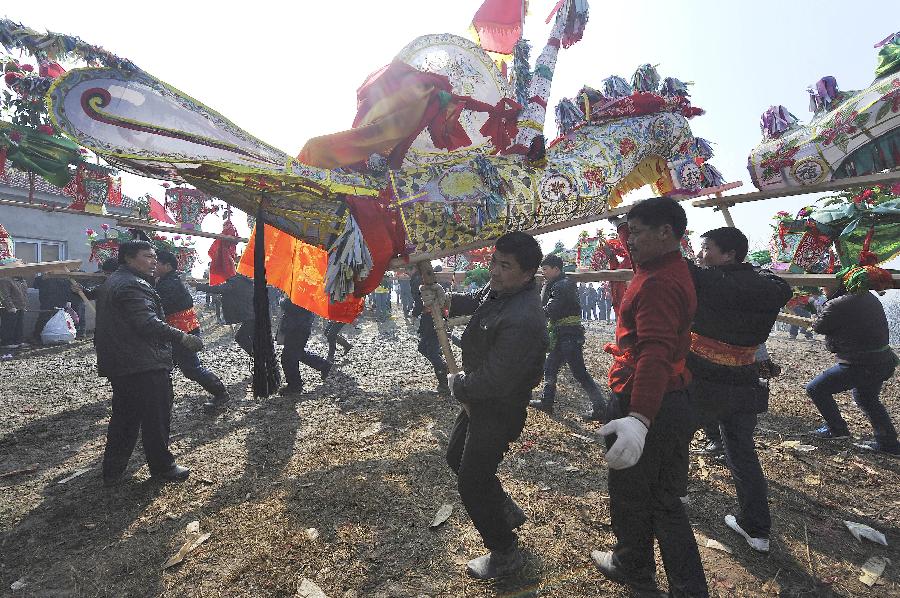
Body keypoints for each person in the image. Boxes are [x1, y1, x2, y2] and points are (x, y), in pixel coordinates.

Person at [590, 198, 708, 597]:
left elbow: (655, 351)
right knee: (666, 499)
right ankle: (689, 589)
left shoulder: (657, 282)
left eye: (637, 232)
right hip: (673, 397)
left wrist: (639, 418)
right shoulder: (667, 265)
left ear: (665, 233)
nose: (630, 240)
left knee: (632, 496)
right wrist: (618, 221)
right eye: (629, 232)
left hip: (646, 398)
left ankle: (634, 571)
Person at [419, 231, 547, 579]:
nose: (494, 270)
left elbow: (495, 380)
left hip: (499, 406)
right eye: (494, 261)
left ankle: (505, 553)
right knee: (455, 456)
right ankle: (503, 509)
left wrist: (458, 384)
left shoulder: (524, 318)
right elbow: (477, 300)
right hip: (480, 400)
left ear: (527, 273)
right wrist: (444, 298)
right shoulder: (503, 290)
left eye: (504, 266)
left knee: (472, 482)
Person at [687, 227, 792, 553]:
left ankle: (674, 497)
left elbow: (680, 264)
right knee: (742, 454)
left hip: (703, 380)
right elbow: (782, 285)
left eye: (706, 248)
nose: (701, 255)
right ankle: (757, 529)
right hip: (746, 381)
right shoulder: (772, 288)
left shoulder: (707, 281)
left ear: (728, 254)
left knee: (676, 437)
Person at [95, 241, 202, 485]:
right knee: (156, 416)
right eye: (147, 256)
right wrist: (182, 337)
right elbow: (147, 323)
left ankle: (113, 470)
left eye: (155, 257)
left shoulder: (116, 281)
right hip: (143, 361)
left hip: (123, 361)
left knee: (125, 416)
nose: (154, 261)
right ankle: (163, 466)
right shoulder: (133, 284)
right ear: (128, 259)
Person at [805, 280, 899, 455]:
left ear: (835, 284)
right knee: (866, 397)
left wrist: (817, 309)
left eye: (824, 284)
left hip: (861, 363)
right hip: (882, 360)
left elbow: (819, 326)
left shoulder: (838, 303)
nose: (821, 288)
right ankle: (889, 443)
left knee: (816, 388)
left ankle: (837, 429)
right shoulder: (866, 295)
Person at [529, 254, 608, 420]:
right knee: (550, 366)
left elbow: (551, 308)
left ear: (556, 269)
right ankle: (546, 401)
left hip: (568, 335)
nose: (543, 272)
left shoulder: (561, 285)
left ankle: (600, 406)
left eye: (545, 269)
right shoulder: (560, 283)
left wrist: (532, 314)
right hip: (564, 334)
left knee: (579, 373)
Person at [155, 251, 230, 408]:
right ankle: (161, 401)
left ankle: (220, 392)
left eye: (157, 263)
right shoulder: (168, 280)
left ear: (167, 266)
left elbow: (161, 307)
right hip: (179, 330)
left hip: (182, 331)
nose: (153, 266)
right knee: (164, 367)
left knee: (190, 368)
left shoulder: (169, 284)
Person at [278, 297, 331, 394]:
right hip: (300, 326)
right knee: (297, 353)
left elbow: (292, 306)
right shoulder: (305, 289)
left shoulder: (300, 292)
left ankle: (295, 386)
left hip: (297, 327)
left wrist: (282, 301)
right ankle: (324, 365)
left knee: (288, 357)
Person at [410, 267, 449, 395]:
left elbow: (420, 301)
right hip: (433, 318)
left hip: (432, 319)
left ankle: (444, 382)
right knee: (424, 348)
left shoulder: (418, 280)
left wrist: (415, 313)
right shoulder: (428, 279)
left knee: (432, 352)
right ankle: (443, 368)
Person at [198, 272, 255, 354]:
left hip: (252, 316)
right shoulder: (244, 280)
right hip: (253, 314)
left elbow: (219, 289)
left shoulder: (236, 280)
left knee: (241, 337)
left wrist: (198, 286)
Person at [0, 270, 27, 350]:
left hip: (20, 307)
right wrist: (10, 306)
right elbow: (5, 295)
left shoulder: (22, 280)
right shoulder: (5, 280)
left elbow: (24, 294)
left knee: (19, 324)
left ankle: (18, 341)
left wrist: (23, 306)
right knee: (9, 325)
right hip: (9, 308)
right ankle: (7, 342)